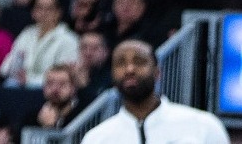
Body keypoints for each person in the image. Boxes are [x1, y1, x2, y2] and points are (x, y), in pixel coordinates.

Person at [79, 41, 225, 144]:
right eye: (121, 63)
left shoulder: (203, 126)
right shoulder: (96, 138)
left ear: (157, 72)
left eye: (139, 61)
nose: (130, 69)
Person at [0, 0, 79, 86]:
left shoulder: (69, 39)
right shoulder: (27, 33)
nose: (44, 13)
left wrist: (30, 80)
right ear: (33, 12)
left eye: (49, 9)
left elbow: (64, 75)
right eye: (39, 8)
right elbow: (6, 66)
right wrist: (14, 72)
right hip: (19, 83)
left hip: (49, 88)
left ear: (58, 13)